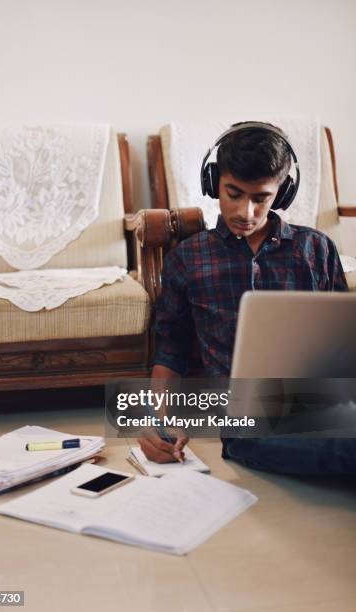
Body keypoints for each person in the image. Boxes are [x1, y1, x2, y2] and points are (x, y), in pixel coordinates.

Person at [138, 122, 355, 475]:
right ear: (213, 183)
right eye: (233, 193)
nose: (246, 212)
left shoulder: (316, 248)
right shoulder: (188, 259)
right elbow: (170, 353)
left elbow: (345, 343)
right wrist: (156, 420)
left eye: (261, 197)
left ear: (282, 193)